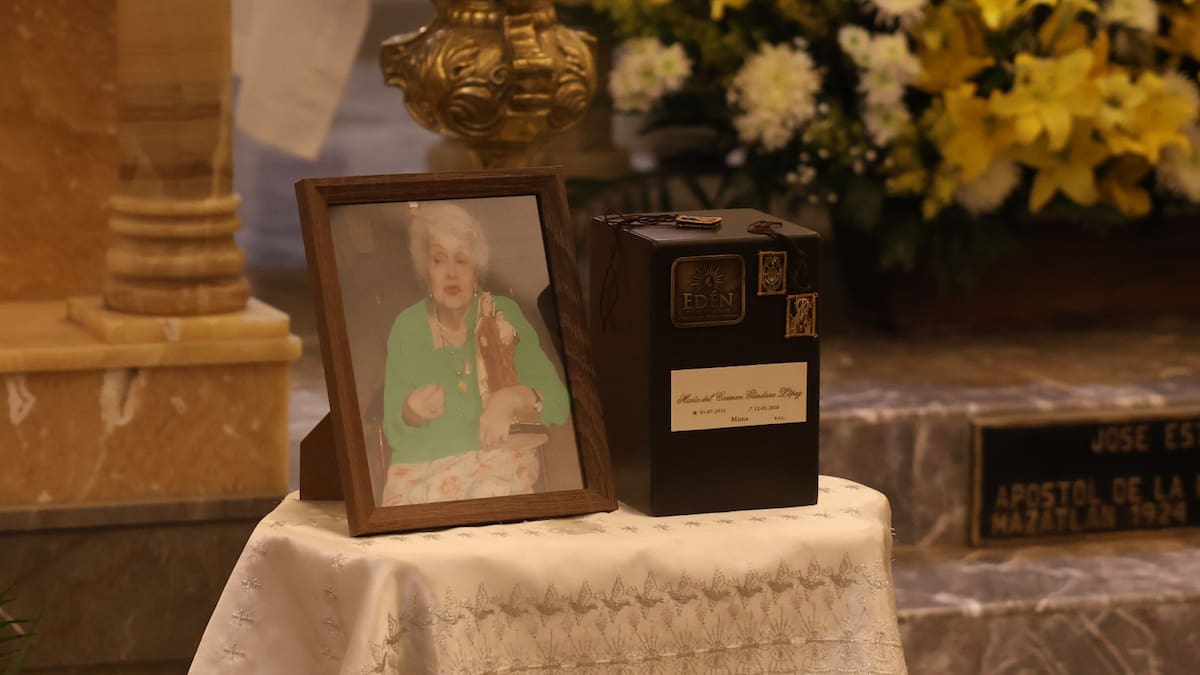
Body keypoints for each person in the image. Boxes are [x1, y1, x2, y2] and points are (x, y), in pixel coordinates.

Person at [380, 201, 570, 505]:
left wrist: (508, 398)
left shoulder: (502, 315)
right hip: (422, 471)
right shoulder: (407, 327)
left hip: (499, 465)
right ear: (425, 271)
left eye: (462, 260)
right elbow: (393, 428)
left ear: (476, 271)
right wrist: (411, 412)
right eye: (439, 260)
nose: (451, 273)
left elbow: (558, 403)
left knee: (489, 496)